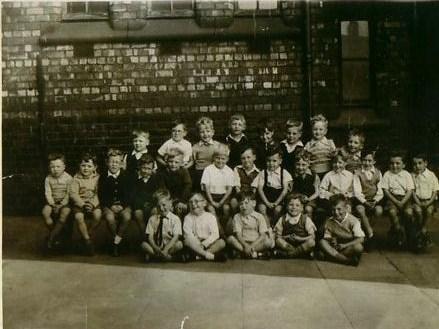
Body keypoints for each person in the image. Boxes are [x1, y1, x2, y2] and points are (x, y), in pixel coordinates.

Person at [98, 148, 132, 257]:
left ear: (121, 163)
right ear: (107, 162)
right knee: (110, 218)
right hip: (109, 205)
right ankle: (115, 242)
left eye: (117, 162)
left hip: (123, 205)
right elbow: (101, 195)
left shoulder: (126, 176)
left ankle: (116, 241)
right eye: (112, 162)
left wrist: (122, 205)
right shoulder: (103, 177)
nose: (114, 165)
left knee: (126, 217)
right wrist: (110, 205)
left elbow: (129, 194)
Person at [380, 151, 415, 248]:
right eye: (392, 163)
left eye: (397, 163)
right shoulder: (387, 174)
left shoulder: (407, 174)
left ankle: (402, 229)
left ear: (404, 165)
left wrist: (403, 201)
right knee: (392, 212)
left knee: (409, 212)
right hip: (392, 198)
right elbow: (386, 190)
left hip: (405, 198)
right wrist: (396, 202)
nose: (394, 166)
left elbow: (410, 190)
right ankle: (399, 230)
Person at [69, 152, 101, 256]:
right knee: (79, 217)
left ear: (94, 167)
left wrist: (92, 204)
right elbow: (73, 194)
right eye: (83, 165)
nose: (86, 168)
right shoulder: (76, 179)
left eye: (89, 166)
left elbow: (98, 193)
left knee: (98, 215)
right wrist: (82, 204)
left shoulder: (97, 178)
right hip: (80, 204)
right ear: (79, 166)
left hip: (94, 203)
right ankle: (87, 240)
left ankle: (87, 234)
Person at [319, 194, 365, 266]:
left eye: (339, 209)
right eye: (333, 210)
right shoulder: (329, 221)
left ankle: (332, 257)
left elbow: (361, 239)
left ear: (346, 208)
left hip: (348, 246)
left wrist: (345, 245)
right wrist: (332, 240)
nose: (336, 212)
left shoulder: (353, 221)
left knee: (358, 247)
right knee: (322, 242)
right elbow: (327, 237)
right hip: (337, 247)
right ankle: (346, 260)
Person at [253, 147, 293, 227]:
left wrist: (276, 203)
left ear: (280, 161)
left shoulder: (284, 173)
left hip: (278, 198)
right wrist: (267, 202)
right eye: (268, 161)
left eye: (274, 161)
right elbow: (260, 189)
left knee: (278, 210)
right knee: (262, 208)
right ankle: (267, 227)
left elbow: (285, 190)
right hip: (265, 197)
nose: (271, 163)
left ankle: (274, 225)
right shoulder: (263, 173)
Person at [201, 143, 236, 234]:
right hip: (210, 196)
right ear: (213, 158)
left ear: (227, 159)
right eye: (217, 158)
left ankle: (224, 228)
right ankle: (220, 232)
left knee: (226, 209)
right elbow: (206, 187)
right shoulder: (208, 169)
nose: (220, 161)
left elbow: (229, 190)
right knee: (211, 210)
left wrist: (221, 202)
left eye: (223, 158)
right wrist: (212, 201)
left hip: (224, 197)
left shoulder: (229, 171)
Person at [227, 191, 273, 259]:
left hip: (256, 243)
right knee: (230, 239)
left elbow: (262, 235)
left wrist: (251, 246)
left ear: (254, 203)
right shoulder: (237, 216)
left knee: (268, 242)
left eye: (246, 203)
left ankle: (244, 253)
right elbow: (238, 234)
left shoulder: (259, 216)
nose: (243, 206)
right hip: (243, 242)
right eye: (241, 204)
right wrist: (246, 245)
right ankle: (255, 254)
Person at [141, 189, 183, 262]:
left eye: (164, 205)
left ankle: (156, 257)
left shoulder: (175, 219)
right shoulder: (152, 219)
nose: (161, 208)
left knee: (179, 244)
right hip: (156, 246)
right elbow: (150, 237)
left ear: (170, 204)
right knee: (143, 245)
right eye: (158, 206)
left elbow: (176, 237)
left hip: (169, 246)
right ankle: (167, 258)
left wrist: (166, 249)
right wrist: (156, 248)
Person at [42, 153, 72, 250]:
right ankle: (56, 233)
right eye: (52, 167)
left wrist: (61, 205)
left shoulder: (68, 178)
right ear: (49, 167)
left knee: (65, 213)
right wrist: (52, 204)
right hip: (52, 202)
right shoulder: (48, 178)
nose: (55, 169)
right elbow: (48, 193)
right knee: (45, 213)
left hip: (65, 202)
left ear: (64, 167)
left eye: (58, 166)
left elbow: (68, 194)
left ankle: (51, 237)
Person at [183, 193, 226, 261]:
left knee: (222, 242)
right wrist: (198, 244)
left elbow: (215, 234)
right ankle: (210, 256)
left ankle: (198, 257)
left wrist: (203, 244)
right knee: (187, 241)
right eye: (191, 202)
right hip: (195, 245)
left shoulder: (210, 217)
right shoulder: (188, 217)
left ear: (204, 203)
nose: (193, 204)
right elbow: (188, 234)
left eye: (196, 201)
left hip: (208, 244)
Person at [353, 149, 384, 244]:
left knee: (379, 211)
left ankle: (367, 230)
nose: (367, 163)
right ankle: (370, 233)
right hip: (362, 201)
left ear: (374, 161)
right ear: (361, 160)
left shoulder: (378, 173)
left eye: (369, 161)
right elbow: (357, 191)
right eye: (364, 160)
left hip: (374, 201)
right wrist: (364, 202)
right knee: (360, 210)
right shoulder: (357, 173)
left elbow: (380, 190)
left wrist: (375, 200)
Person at [273, 193, 316, 259]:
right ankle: (301, 255)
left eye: (297, 205)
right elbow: (278, 236)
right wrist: (286, 237)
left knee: (311, 242)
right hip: (288, 245)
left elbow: (313, 236)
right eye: (291, 205)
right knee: (278, 241)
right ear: (286, 206)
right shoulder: (282, 219)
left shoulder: (305, 219)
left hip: (302, 244)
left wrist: (300, 239)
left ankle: (288, 255)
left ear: (302, 208)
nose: (294, 207)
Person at [411, 153, 439, 251]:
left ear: (425, 163)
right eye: (415, 164)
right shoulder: (412, 175)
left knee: (429, 211)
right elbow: (412, 191)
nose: (417, 166)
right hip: (417, 201)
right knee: (418, 211)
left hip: (429, 201)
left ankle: (422, 231)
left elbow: (435, 191)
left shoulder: (431, 175)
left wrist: (429, 202)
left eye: (420, 163)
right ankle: (423, 233)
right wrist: (417, 201)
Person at [132, 154, 162, 236]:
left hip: (152, 204)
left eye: (149, 169)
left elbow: (158, 194)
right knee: (138, 213)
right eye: (144, 168)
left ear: (152, 169)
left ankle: (153, 234)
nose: (146, 171)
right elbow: (134, 195)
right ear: (139, 167)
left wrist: (151, 204)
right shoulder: (135, 179)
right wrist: (142, 204)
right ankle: (144, 234)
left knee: (155, 211)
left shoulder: (156, 179)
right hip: (139, 205)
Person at [156, 148, 192, 218]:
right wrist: (169, 203)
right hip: (168, 198)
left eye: (176, 162)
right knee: (167, 210)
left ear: (181, 163)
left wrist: (182, 201)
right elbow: (163, 189)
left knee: (180, 209)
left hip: (181, 198)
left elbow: (188, 187)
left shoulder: (184, 171)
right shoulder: (162, 173)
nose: (173, 164)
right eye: (170, 161)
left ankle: (180, 227)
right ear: (166, 161)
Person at [192, 116, 220, 191]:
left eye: (208, 131)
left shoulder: (217, 146)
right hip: (200, 172)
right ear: (198, 133)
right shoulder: (195, 147)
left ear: (213, 132)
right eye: (202, 132)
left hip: (213, 172)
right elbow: (193, 160)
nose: (205, 134)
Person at [304, 114, 337, 179]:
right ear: (311, 130)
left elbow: (335, 157)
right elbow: (306, 160)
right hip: (314, 172)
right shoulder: (309, 145)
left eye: (321, 129)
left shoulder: (330, 143)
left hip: (328, 172)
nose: (318, 132)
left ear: (325, 131)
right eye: (315, 129)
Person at [291, 150, 320, 217]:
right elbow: (291, 191)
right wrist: (298, 198)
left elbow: (317, 192)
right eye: (298, 164)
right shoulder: (293, 175)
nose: (300, 168)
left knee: (308, 209)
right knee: (297, 208)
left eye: (303, 165)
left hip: (311, 198)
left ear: (308, 164)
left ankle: (309, 226)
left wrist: (308, 199)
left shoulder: (314, 175)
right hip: (296, 198)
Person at [231, 147, 260, 211]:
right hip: (239, 195)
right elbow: (237, 187)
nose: (246, 160)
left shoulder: (258, 172)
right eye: (243, 158)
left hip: (251, 196)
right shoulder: (237, 169)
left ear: (254, 157)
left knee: (251, 204)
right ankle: (235, 217)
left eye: (248, 157)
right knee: (233, 201)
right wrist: (242, 199)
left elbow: (254, 190)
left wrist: (248, 200)